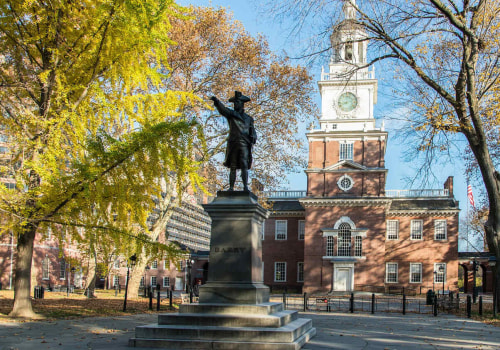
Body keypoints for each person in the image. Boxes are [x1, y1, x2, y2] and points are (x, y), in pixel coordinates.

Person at [210, 91, 257, 191]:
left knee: (244, 164)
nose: (235, 104)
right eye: (235, 103)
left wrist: (253, 137)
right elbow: (223, 110)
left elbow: (252, 130)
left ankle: (245, 187)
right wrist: (217, 102)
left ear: (241, 104)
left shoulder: (249, 119)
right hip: (234, 143)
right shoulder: (231, 114)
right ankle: (231, 187)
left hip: (244, 143)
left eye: (237, 102)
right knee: (233, 165)